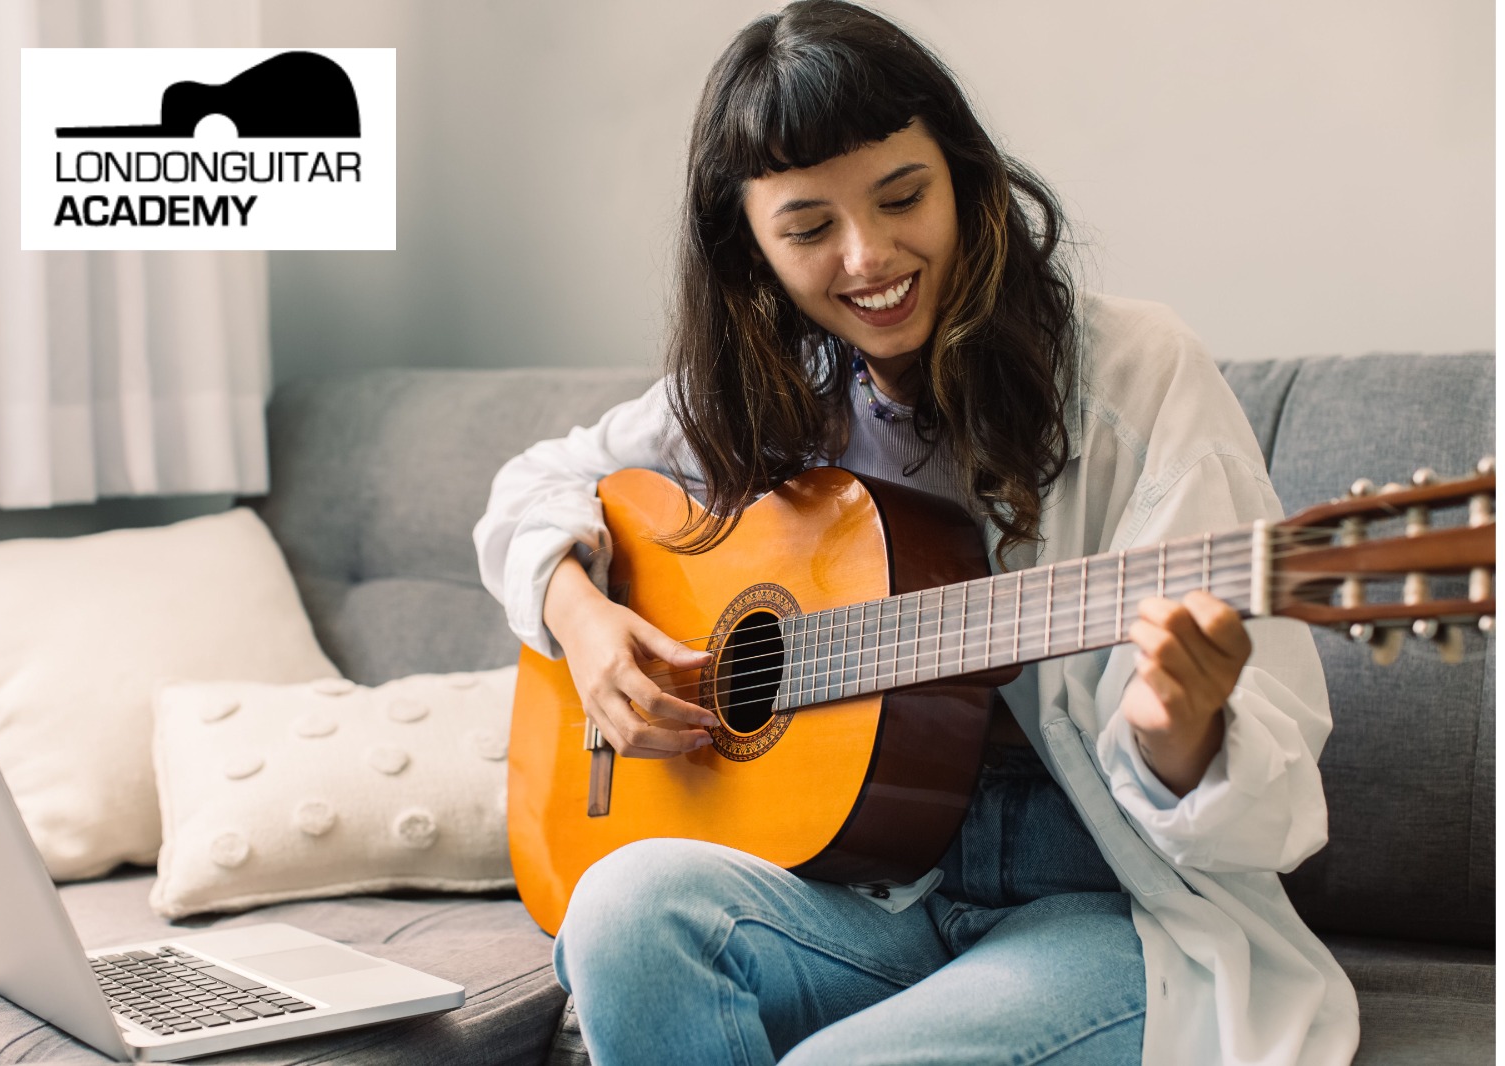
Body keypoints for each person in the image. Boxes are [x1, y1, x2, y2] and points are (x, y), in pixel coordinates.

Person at [474, 2, 1357, 1062]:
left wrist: (1181, 729)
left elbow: (1265, 793)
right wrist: (581, 618)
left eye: (903, 197)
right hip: (865, 903)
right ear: (748, 246)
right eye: (807, 229)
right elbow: (540, 483)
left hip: (1098, 909)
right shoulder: (766, 393)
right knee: (618, 906)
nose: (867, 255)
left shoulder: (1133, 372)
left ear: (963, 178)